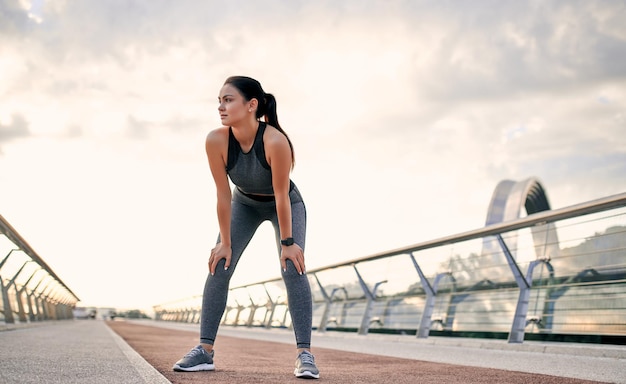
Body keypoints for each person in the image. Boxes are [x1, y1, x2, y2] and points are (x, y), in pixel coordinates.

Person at [172, 76, 319, 379]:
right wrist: (224, 242)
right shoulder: (216, 140)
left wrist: (288, 242)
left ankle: (305, 354)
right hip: (243, 204)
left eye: (228, 100)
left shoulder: (276, 142)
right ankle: (204, 350)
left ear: (251, 105)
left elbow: (280, 195)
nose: (221, 107)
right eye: (219, 100)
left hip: (285, 205)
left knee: (293, 268)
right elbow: (223, 194)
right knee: (219, 265)